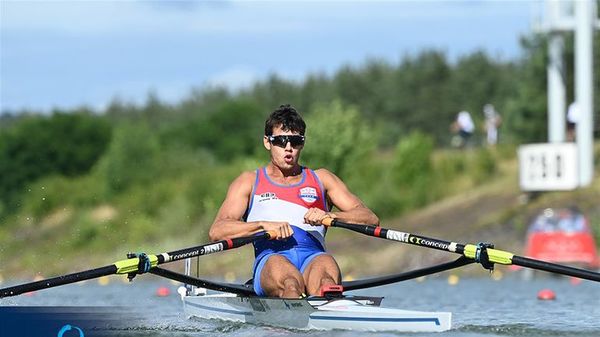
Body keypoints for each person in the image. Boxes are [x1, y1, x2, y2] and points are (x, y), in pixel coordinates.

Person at [208, 104, 379, 298]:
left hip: (313, 257)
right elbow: (218, 231)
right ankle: (294, 308)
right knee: (290, 284)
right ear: (267, 142)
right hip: (272, 258)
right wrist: (263, 226)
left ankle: (329, 306)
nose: (289, 148)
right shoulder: (248, 182)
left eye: (296, 141)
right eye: (281, 141)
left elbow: (370, 218)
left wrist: (330, 215)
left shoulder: (322, 179)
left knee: (326, 280)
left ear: (303, 143)